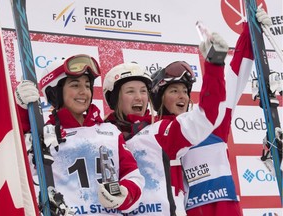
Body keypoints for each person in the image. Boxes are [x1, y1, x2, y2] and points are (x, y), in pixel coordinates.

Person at [151, 8, 272, 216]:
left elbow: (236, 73)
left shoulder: (214, 122)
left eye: (184, 91)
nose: (182, 96)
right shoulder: (155, 136)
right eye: (173, 91)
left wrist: (251, 31)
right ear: (159, 98)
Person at [102, 33, 228, 215]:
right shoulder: (102, 136)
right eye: (130, 91)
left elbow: (205, 117)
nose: (139, 97)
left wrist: (214, 65)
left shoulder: (159, 131)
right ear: (114, 99)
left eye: (144, 91)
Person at [14, 54, 145, 215]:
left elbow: (132, 176)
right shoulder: (45, 135)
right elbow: (19, 172)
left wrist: (125, 195)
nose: (84, 92)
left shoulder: (110, 132)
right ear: (54, 91)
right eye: (75, 85)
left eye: (88, 85)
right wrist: (22, 111)